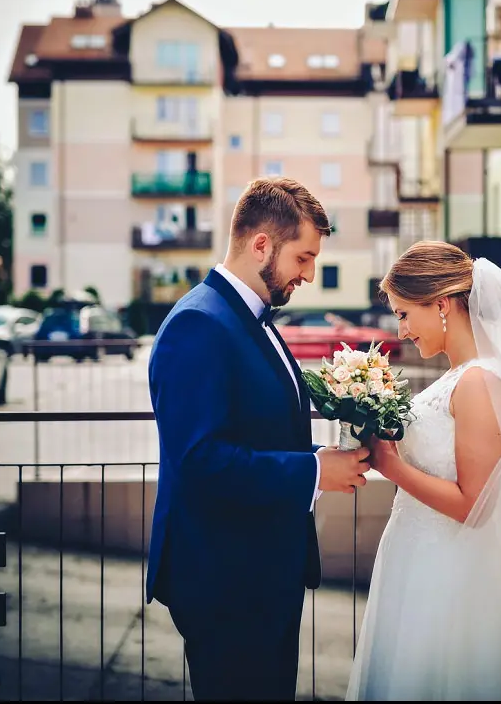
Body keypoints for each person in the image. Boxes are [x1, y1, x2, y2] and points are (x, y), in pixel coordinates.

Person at [145, 177, 372, 701]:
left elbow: (254, 432)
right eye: (304, 257)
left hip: (263, 573)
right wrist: (314, 473)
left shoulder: (250, 318)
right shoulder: (198, 324)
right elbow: (201, 460)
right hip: (227, 581)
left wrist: (319, 457)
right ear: (262, 244)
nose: (309, 274)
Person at [346, 241, 501, 701]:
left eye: (405, 314)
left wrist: (392, 465)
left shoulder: (479, 382)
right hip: (414, 558)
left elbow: (474, 506)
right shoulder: (455, 376)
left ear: (441, 304)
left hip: (449, 575)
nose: (402, 330)